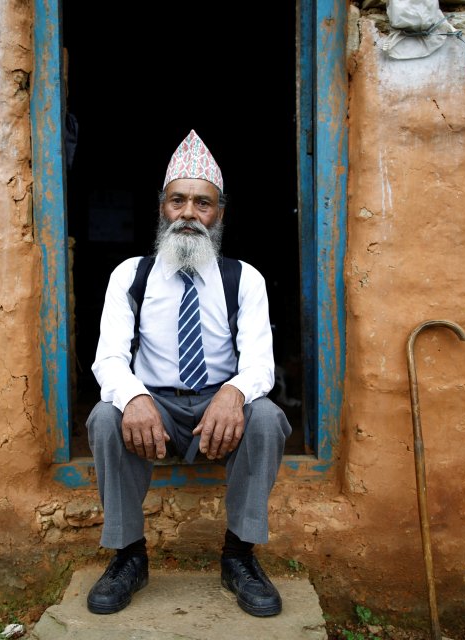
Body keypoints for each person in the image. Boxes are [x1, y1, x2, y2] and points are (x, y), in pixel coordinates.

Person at [86, 130, 292, 617]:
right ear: (162, 207)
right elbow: (109, 359)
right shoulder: (129, 275)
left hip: (217, 410)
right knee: (102, 417)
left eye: (203, 204)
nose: (188, 214)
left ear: (219, 214)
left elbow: (260, 361)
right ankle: (128, 556)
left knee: (265, 418)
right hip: (155, 408)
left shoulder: (244, 278)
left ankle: (239, 555)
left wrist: (234, 394)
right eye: (178, 200)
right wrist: (135, 398)